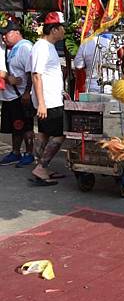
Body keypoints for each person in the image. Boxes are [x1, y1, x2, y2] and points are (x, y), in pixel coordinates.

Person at [30, 12, 67, 185]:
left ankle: (40, 167)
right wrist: (42, 104)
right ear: (54, 29)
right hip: (49, 102)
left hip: (52, 98)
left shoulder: (48, 46)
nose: (64, 31)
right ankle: (41, 167)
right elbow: (36, 75)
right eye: (62, 28)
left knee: (44, 133)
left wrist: (62, 91)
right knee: (59, 136)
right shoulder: (42, 47)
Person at [0, 20, 35, 167]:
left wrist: (27, 92)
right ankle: (15, 152)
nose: (3, 37)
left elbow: (33, 73)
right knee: (15, 127)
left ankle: (29, 153)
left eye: (6, 34)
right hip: (9, 96)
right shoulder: (8, 48)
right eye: (2, 35)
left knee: (26, 126)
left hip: (21, 96)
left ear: (16, 32)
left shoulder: (25, 48)